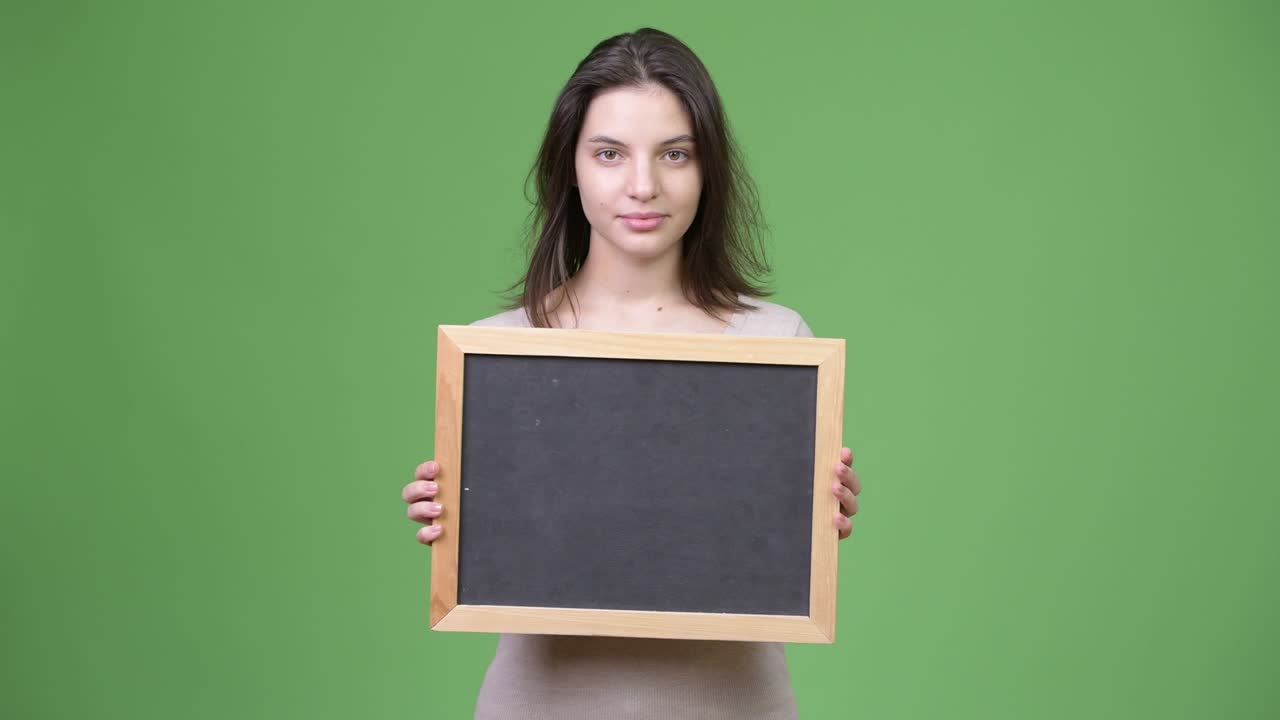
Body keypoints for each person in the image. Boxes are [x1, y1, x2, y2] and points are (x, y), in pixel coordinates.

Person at [400, 27, 862, 719]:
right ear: (571, 167)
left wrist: (814, 514)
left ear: (708, 171)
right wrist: (458, 512)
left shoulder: (776, 344)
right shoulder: (500, 355)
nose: (643, 185)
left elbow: (763, 555)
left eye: (675, 153)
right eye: (610, 153)